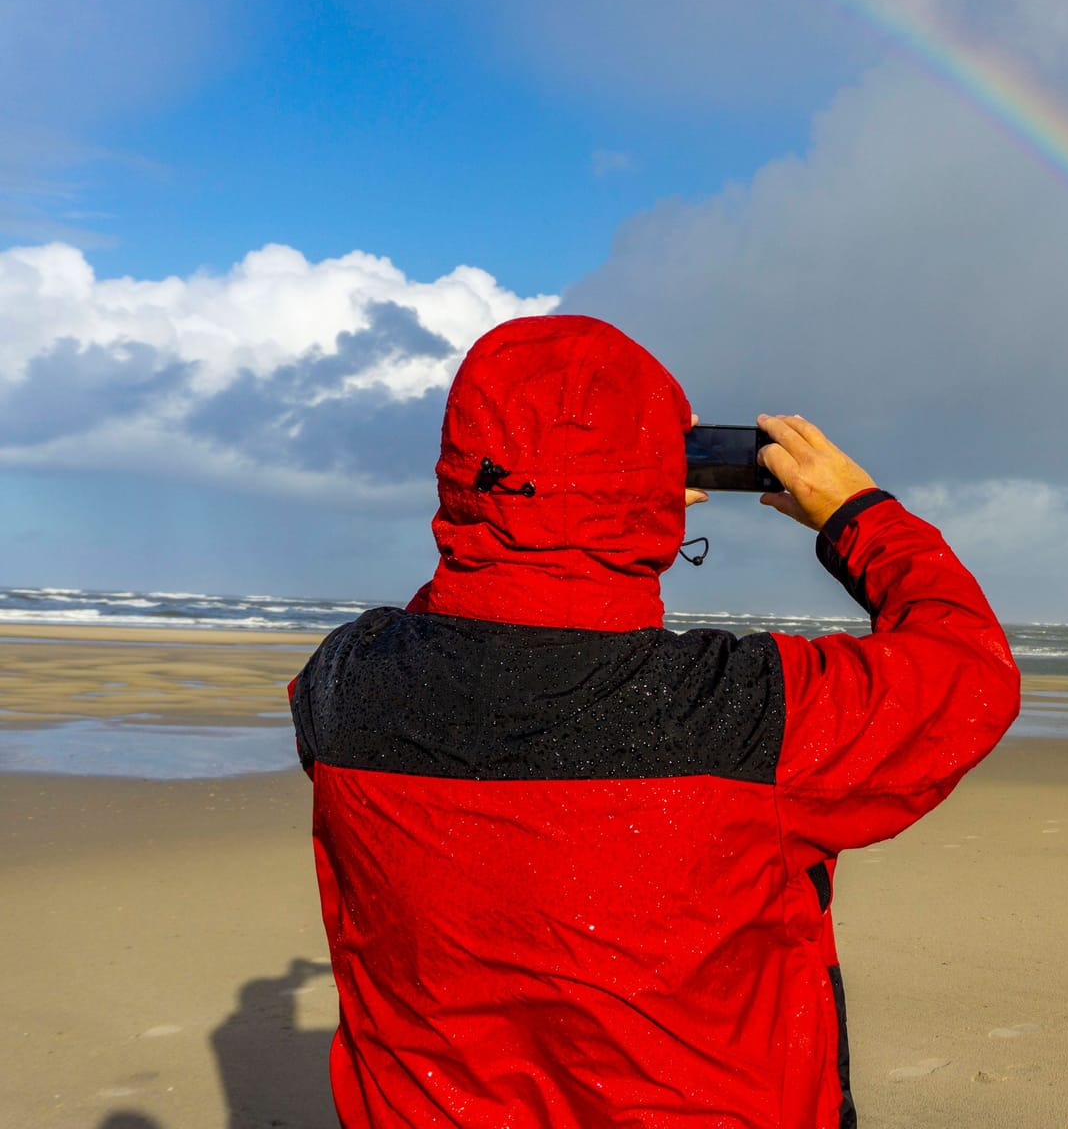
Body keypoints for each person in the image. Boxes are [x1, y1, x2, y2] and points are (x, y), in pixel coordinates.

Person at [289, 314, 1021, 1128]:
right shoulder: (749, 711)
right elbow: (967, 673)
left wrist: (550, 518)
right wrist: (859, 514)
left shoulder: (347, 680)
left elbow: (467, 637)